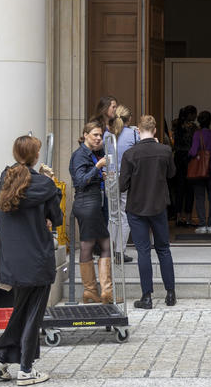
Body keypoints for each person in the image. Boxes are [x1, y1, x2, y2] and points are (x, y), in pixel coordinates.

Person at [0, 135, 63, 386]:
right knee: (33, 313)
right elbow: (57, 218)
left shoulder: (4, 180)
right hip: (37, 257)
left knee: (21, 310)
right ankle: (27, 369)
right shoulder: (45, 185)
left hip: (12, 258)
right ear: (35, 156)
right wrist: (49, 182)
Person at [120, 115, 177, 309]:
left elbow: (122, 185)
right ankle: (170, 293)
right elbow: (172, 174)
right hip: (158, 205)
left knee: (143, 251)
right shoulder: (165, 150)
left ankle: (147, 296)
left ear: (138, 130)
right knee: (163, 249)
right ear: (154, 130)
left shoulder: (130, 154)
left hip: (136, 207)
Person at [68, 122, 112, 304]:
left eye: (100, 136)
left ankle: (93, 292)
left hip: (94, 203)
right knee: (101, 244)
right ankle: (102, 292)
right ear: (85, 135)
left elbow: (88, 177)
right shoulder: (79, 155)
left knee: (91, 245)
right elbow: (79, 181)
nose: (98, 138)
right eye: (94, 135)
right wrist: (98, 167)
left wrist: (99, 175)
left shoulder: (93, 153)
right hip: (87, 204)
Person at [112, 105, 138, 264]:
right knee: (124, 214)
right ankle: (119, 252)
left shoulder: (108, 134)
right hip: (125, 178)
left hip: (109, 176)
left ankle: (109, 249)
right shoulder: (133, 134)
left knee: (113, 215)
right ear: (129, 119)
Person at [189, 110, 211, 235]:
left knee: (200, 197)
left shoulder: (197, 134)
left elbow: (193, 151)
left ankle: (202, 224)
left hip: (200, 170)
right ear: (210, 121)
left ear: (199, 121)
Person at [171, 105, 199, 227]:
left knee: (179, 188)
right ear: (190, 114)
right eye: (194, 114)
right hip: (189, 158)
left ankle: (178, 217)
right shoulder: (194, 127)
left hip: (177, 158)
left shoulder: (175, 124)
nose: (196, 116)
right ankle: (188, 218)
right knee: (190, 189)